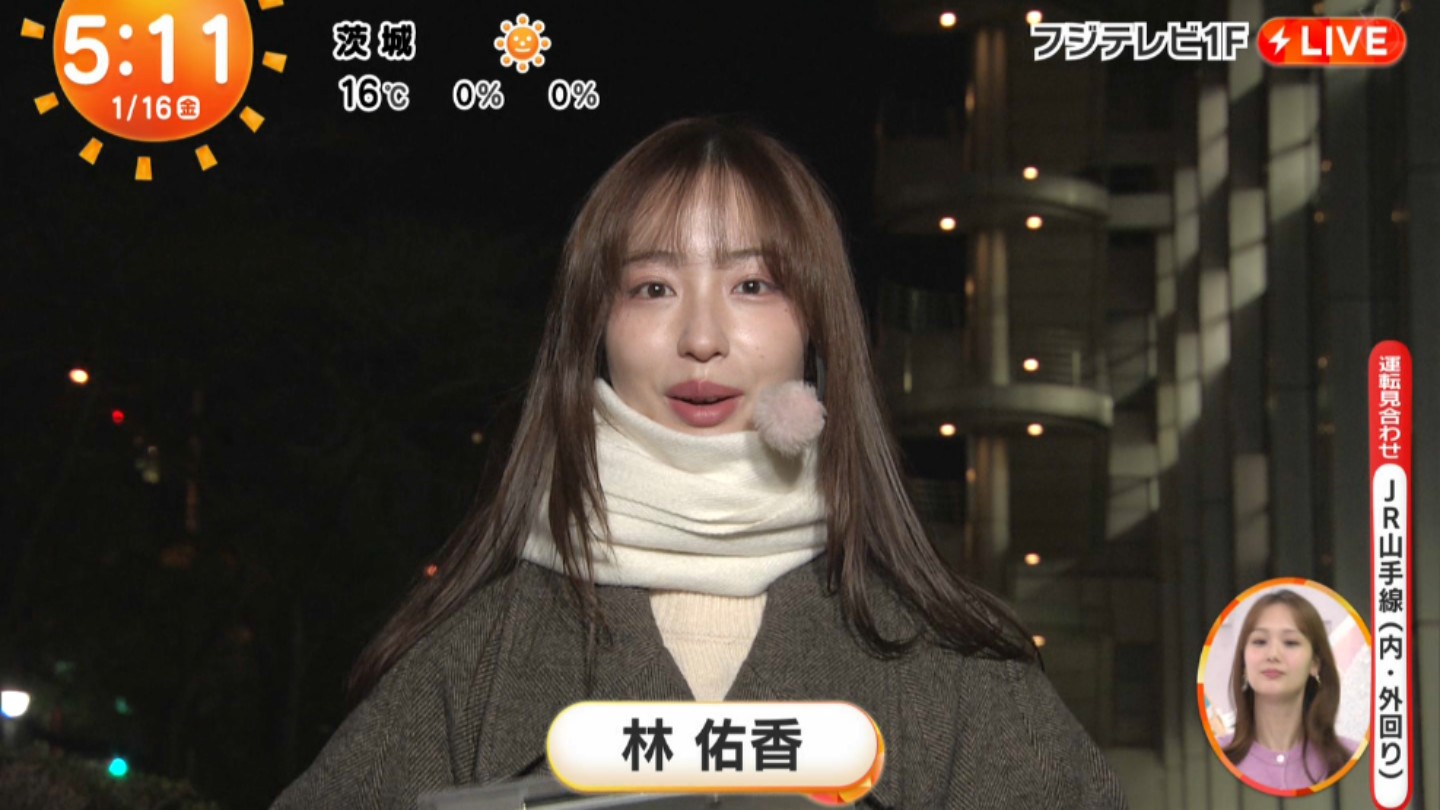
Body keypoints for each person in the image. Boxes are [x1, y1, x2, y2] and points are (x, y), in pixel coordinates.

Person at [271, 117, 1126, 809]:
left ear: (816, 326)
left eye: (754, 285)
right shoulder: (475, 657)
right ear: (594, 330)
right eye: (653, 288)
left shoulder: (950, 670)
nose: (703, 337)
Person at [1218, 590, 1359, 791]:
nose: (1273, 654)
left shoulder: (1352, 759)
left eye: (1290, 642)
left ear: (1315, 663)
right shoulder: (1215, 757)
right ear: (1244, 661)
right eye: (1260, 642)